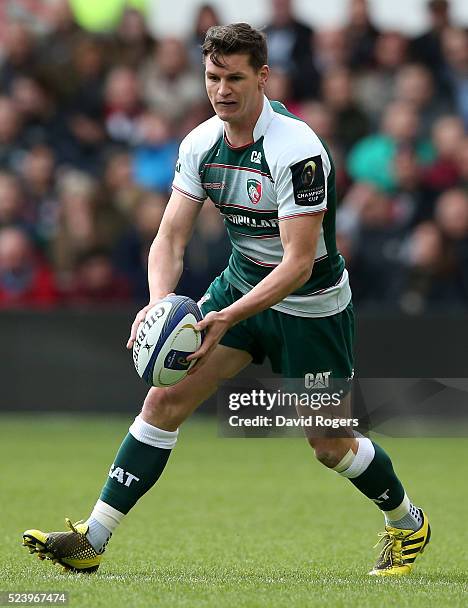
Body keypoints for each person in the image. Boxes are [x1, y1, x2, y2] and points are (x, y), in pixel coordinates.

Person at [23, 23, 430, 577]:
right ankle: (93, 538)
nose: (222, 90)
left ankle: (408, 523)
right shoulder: (199, 144)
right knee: (161, 403)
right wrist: (159, 301)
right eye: (213, 77)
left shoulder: (298, 151)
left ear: (262, 76)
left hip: (310, 310)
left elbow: (298, 263)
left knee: (329, 444)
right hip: (238, 290)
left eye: (234, 78)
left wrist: (225, 317)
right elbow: (169, 237)